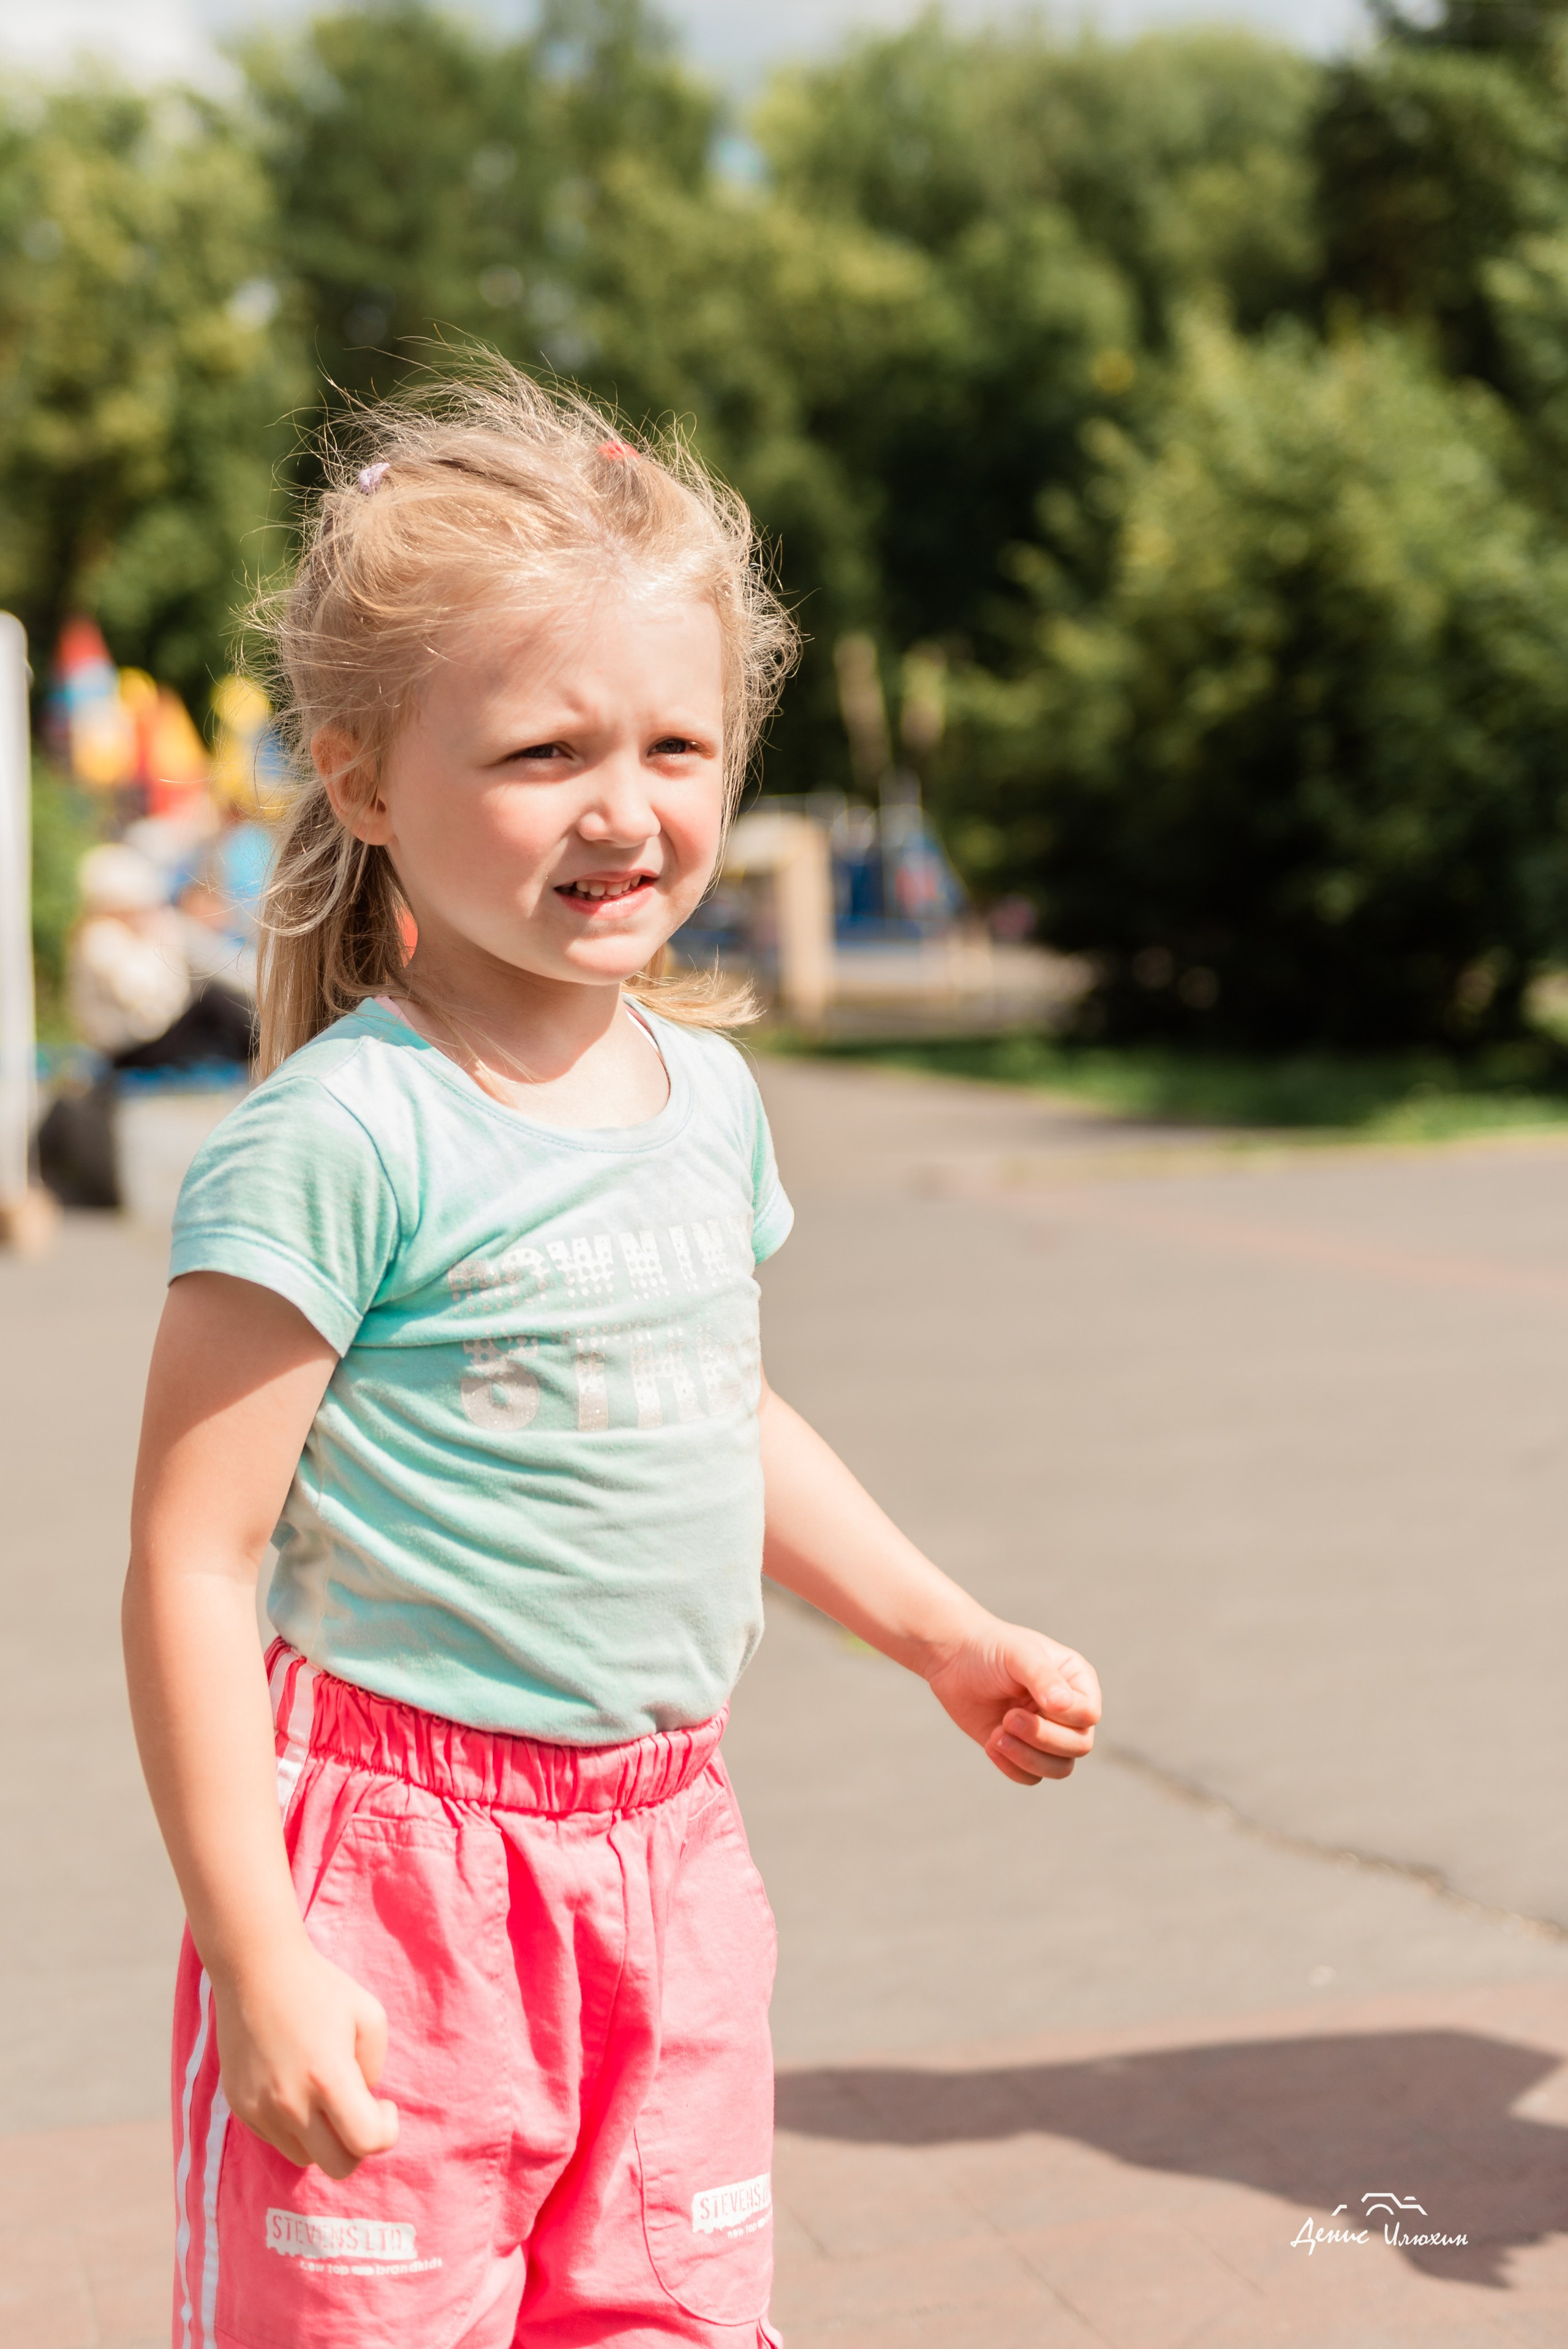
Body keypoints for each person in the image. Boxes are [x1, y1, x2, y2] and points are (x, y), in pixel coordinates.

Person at [122, 369, 1102, 2349]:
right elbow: (190, 1561)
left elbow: (720, 1412)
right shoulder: (346, 1134)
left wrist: (939, 1629)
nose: (626, 807)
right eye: (547, 748)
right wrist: (254, 1945)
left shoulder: (707, 1101)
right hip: (395, 1887)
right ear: (368, 777)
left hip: (668, 1859)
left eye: (678, 743)